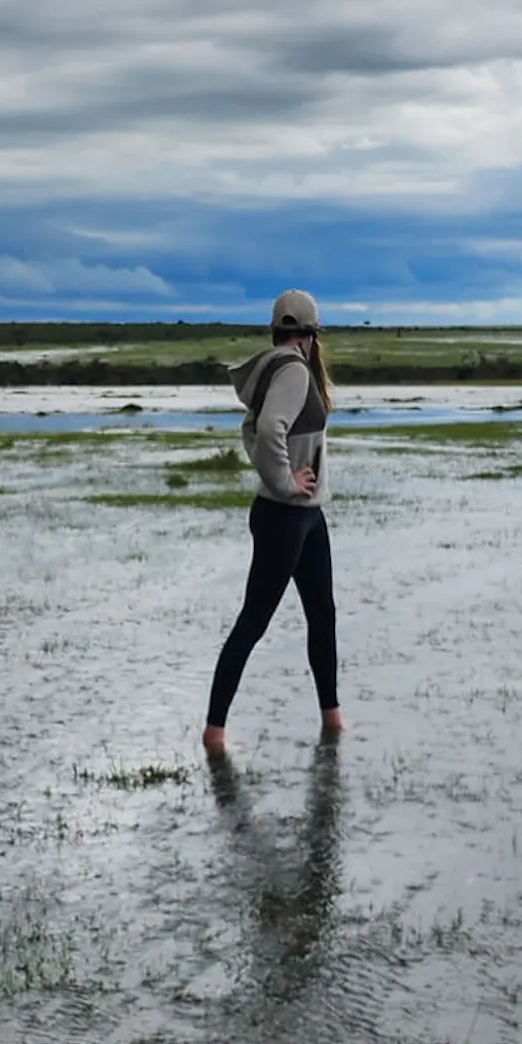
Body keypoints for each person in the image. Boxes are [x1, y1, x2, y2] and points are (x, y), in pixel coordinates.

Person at [203, 289, 342, 752]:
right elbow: (266, 430)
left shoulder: (270, 369)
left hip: (305, 515)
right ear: (306, 335)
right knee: (254, 621)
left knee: (322, 616)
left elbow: (250, 428)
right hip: (286, 515)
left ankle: (332, 720)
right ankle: (215, 732)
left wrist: (277, 475)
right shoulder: (294, 372)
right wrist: (284, 481)